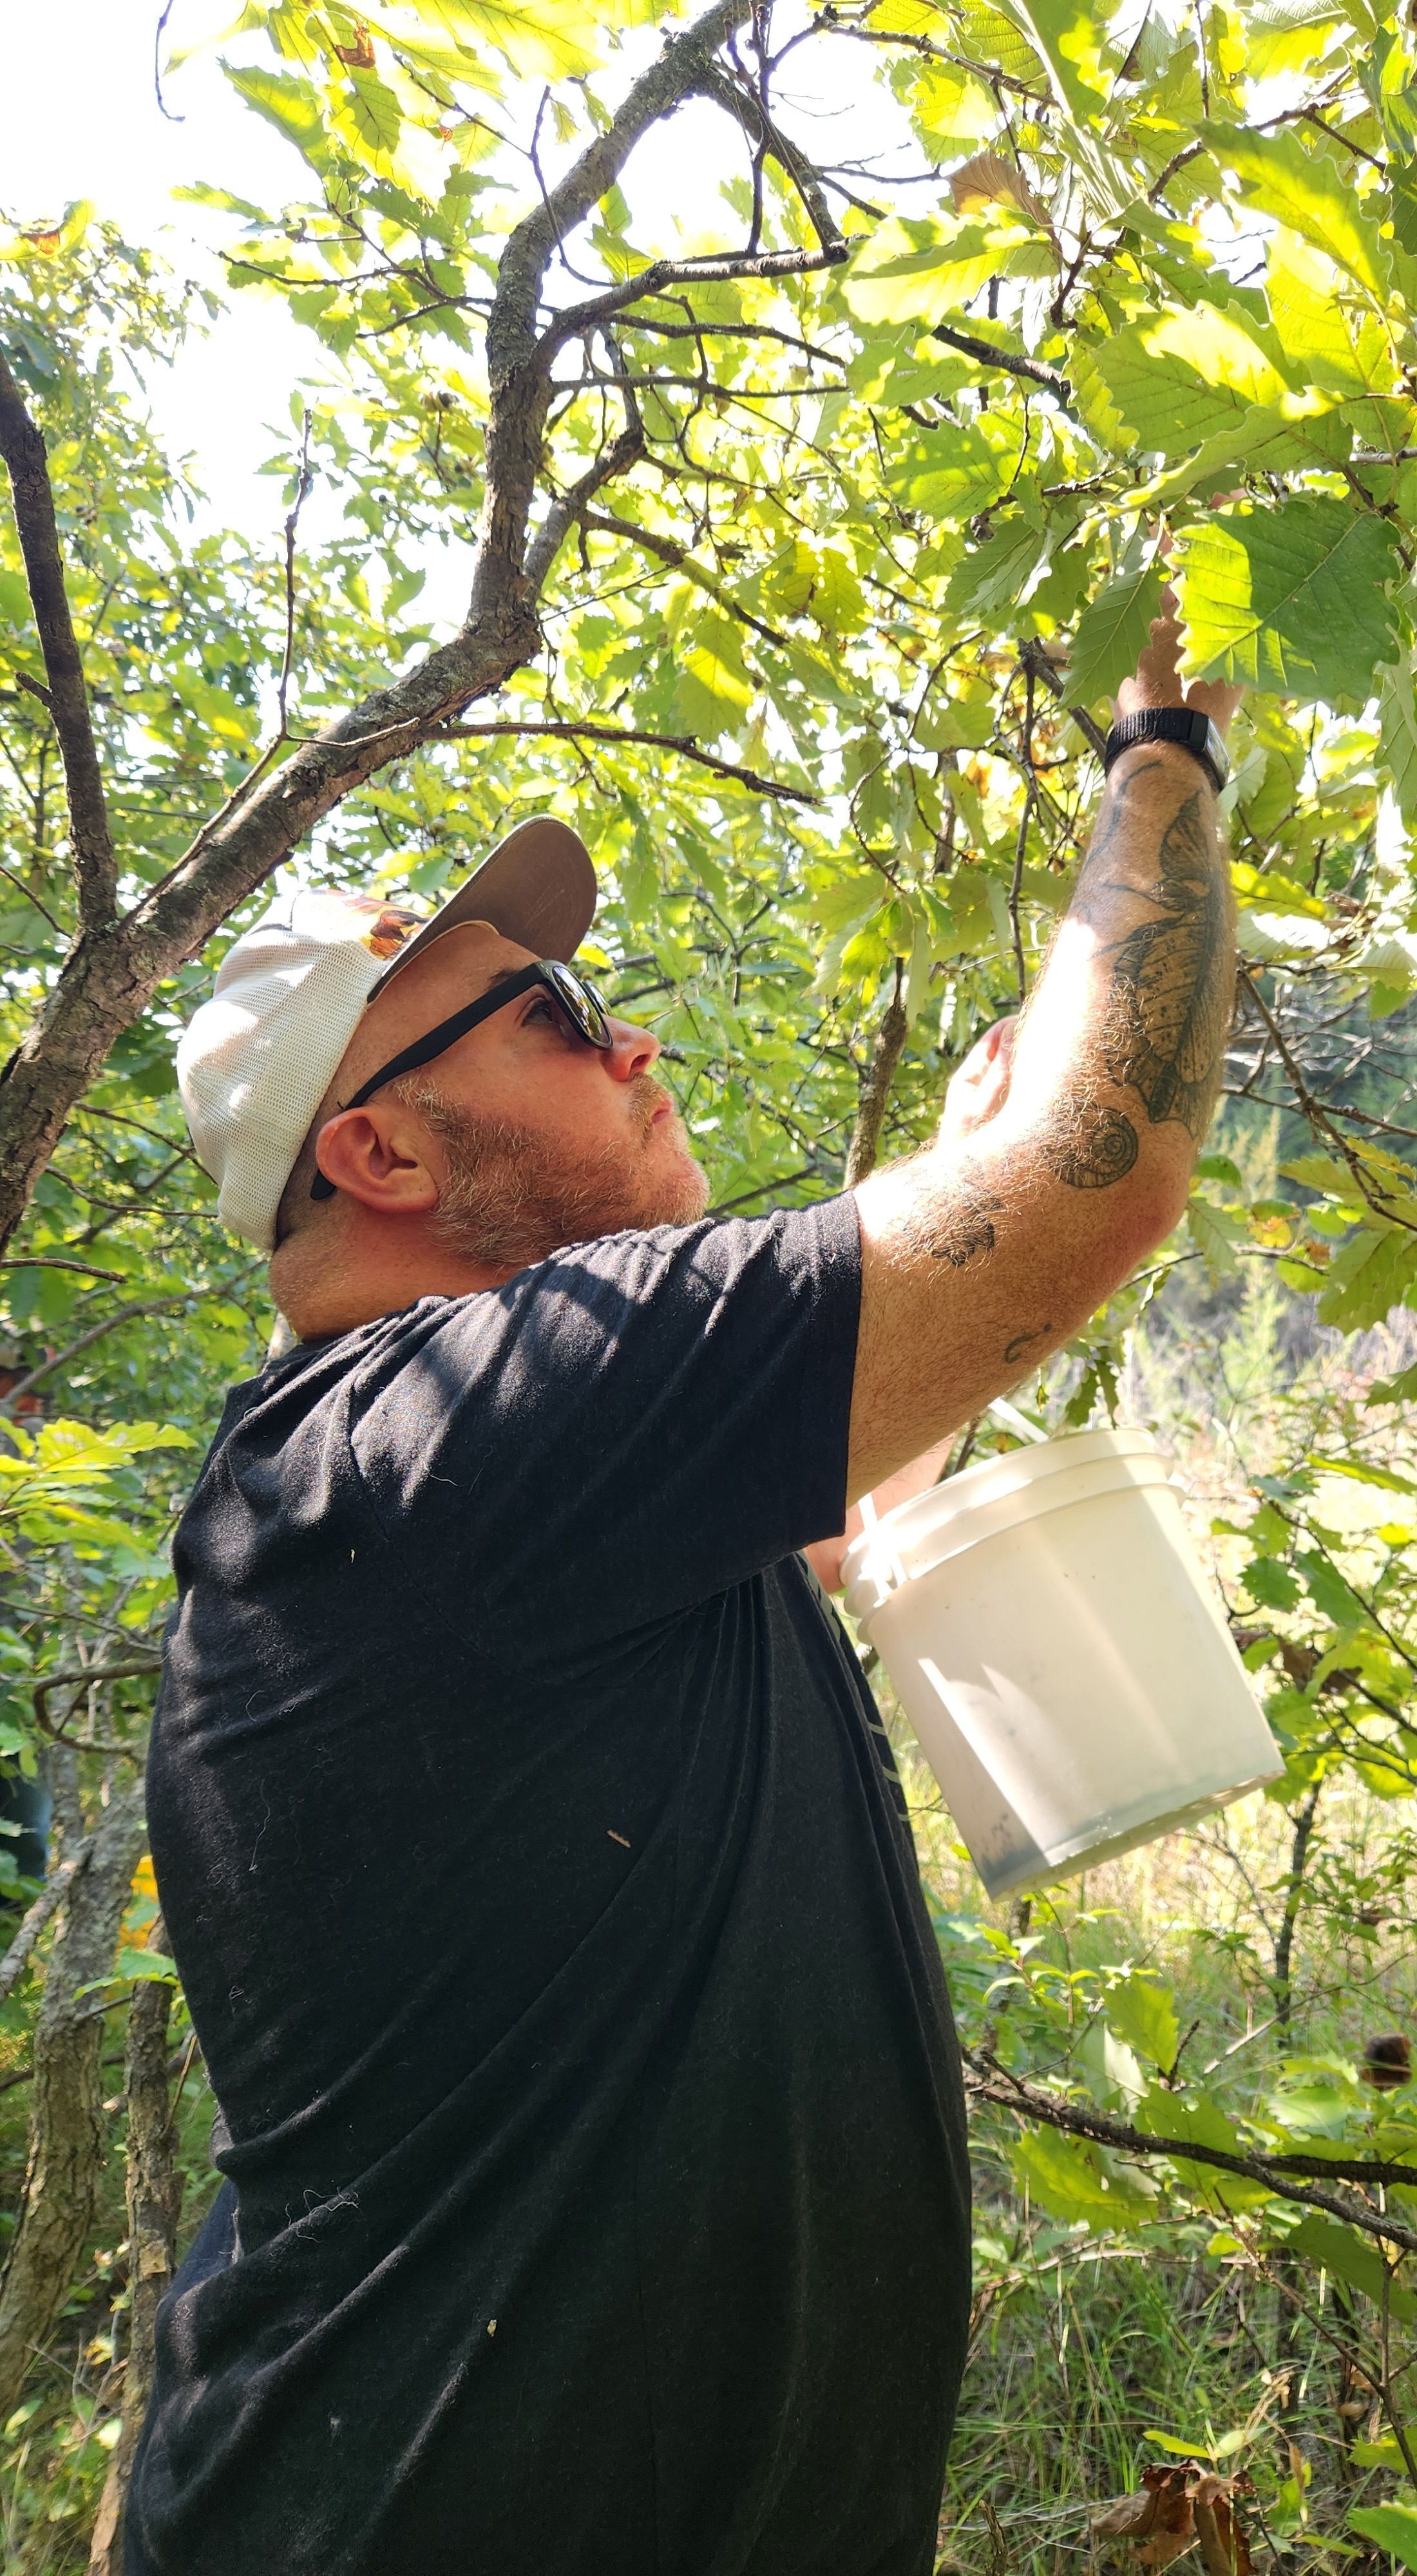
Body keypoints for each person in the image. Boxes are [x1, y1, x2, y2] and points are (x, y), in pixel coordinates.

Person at [127, 611, 1241, 2574]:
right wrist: (1166, 750)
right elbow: (1105, 1173)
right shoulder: (444, 1427)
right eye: (555, 1015)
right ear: (378, 1146)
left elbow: (829, 1516)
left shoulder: (442, 1477)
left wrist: (955, 1179)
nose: (632, 1037)